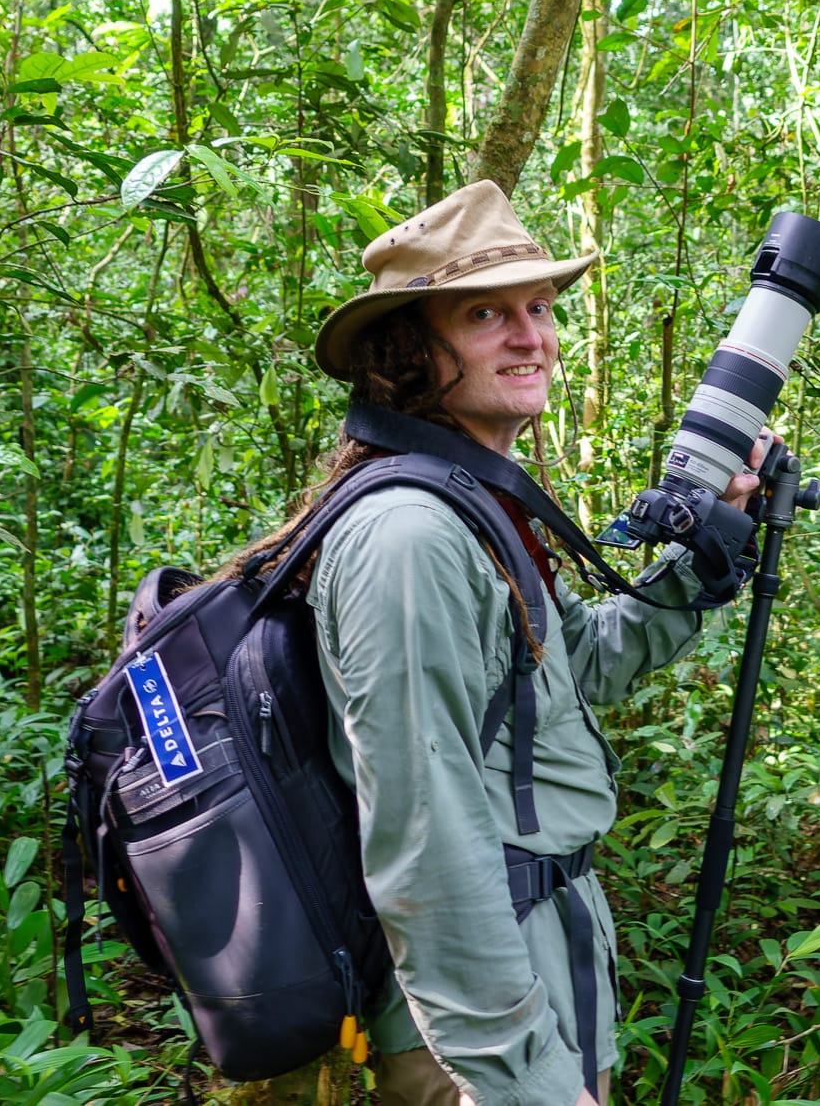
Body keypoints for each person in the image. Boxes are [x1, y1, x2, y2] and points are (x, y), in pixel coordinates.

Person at [219, 181, 765, 1106]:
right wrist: (525, 1080)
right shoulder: (410, 539)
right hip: (471, 1026)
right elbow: (424, 840)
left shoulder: (470, 506)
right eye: (485, 313)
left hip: (536, 962)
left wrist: (702, 563)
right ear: (408, 353)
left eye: (540, 307)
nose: (532, 336)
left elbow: (579, 665)